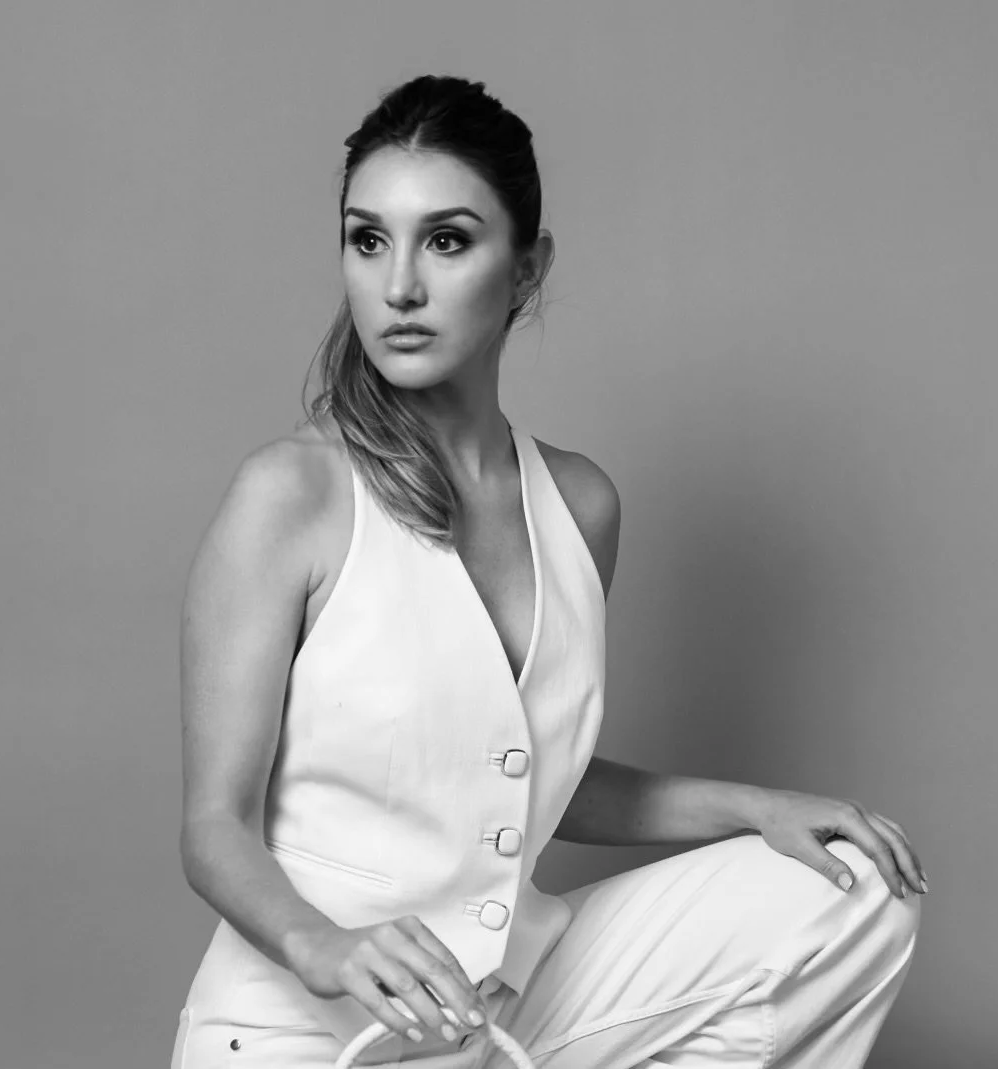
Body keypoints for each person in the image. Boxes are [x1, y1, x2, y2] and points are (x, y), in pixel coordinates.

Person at [170, 74, 924, 1068]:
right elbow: (213, 827)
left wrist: (758, 808)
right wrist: (326, 944)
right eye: (368, 239)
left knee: (852, 889)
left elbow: (526, 776)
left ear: (526, 268)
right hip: (305, 1035)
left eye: (446, 239)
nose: (399, 284)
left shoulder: (579, 504)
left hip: (506, 1009)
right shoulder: (292, 496)